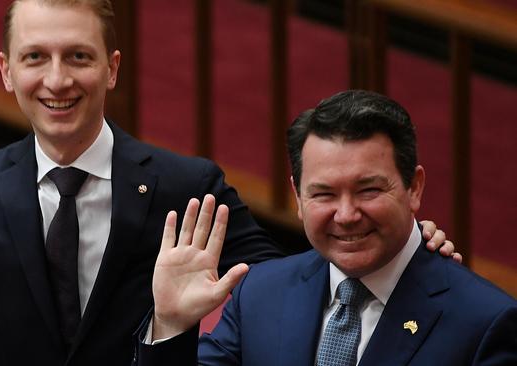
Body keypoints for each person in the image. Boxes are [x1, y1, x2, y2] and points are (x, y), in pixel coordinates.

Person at [0, 1, 454, 364]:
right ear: (6, 71)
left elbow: (288, 280)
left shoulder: (183, 183)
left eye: (78, 56)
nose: (56, 80)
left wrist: (397, 250)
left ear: (112, 67)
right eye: (34, 58)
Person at [136, 90, 517, 365]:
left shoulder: (485, 322)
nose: (347, 214)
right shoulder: (261, 293)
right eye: (324, 194)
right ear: (298, 198)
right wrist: (170, 325)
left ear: (414, 187)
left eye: (368, 190)